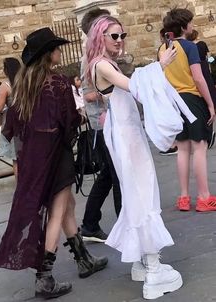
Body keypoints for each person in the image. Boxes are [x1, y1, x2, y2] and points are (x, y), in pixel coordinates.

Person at [0, 27, 108, 300]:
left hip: (35, 157)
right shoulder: (57, 83)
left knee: (68, 206)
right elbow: (68, 121)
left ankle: (83, 259)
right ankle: (44, 277)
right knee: (57, 212)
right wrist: (78, 120)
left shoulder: (24, 83)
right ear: (48, 54)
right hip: (58, 157)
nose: (59, 51)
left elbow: (12, 125)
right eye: (55, 48)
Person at [85, 15, 183, 300]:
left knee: (135, 194)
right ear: (100, 37)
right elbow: (133, 86)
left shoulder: (103, 63)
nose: (120, 40)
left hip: (125, 132)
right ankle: (153, 269)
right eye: (114, 36)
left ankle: (143, 262)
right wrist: (160, 65)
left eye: (122, 34)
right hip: (126, 137)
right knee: (141, 193)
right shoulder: (101, 64)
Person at [159, 8, 216, 212]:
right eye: (189, 23)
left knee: (182, 149)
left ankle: (183, 197)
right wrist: (210, 104)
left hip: (174, 101)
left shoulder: (162, 49)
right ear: (183, 26)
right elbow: (199, 78)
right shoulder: (189, 47)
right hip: (191, 99)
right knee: (199, 147)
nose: (192, 26)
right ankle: (204, 197)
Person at [80, 8, 122, 243]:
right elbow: (88, 95)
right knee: (116, 177)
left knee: (108, 174)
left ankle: (90, 224)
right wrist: (112, 90)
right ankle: (122, 225)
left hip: (108, 122)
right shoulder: (92, 60)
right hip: (102, 123)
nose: (117, 39)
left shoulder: (101, 57)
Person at [0, 57, 21, 178]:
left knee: (16, 158)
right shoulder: (25, 81)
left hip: (14, 124)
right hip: (28, 120)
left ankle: (21, 187)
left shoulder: (6, 85)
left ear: (7, 70)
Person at [186, 29, 216, 149]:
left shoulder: (188, 47)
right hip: (205, 72)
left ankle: (206, 131)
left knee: (201, 102)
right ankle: (210, 129)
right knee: (210, 99)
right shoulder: (202, 44)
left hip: (195, 72)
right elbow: (209, 59)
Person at [158, 29, 178, 156]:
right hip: (180, 86)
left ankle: (172, 144)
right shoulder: (182, 45)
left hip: (169, 86)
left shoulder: (162, 48)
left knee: (168, 117)